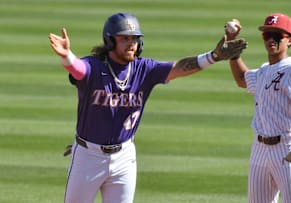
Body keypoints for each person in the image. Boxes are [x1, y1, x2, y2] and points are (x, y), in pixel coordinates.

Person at [48, 12, 247, 203]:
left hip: (124, 157)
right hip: (88, 157)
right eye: (124, 38)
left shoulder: (145, 69)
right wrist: (67, 56)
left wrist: (213, 56)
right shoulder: (94, 67)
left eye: (134, 38)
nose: (131, 43)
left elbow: (179, 68)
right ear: (110, 41)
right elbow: (78, 69)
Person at [227, 13, 291, 203]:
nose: (271, 39)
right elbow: (242, 79)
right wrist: (233, 50)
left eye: (277, 35)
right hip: (259, 150)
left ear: (289, 40)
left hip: (288, 148)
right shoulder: (264, 70)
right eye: (267, 34)